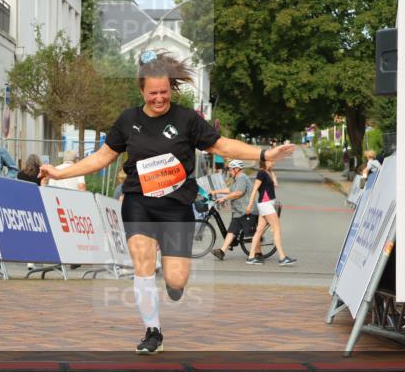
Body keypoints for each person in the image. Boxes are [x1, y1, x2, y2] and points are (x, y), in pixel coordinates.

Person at [39, 50, 295, 354]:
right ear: (141, 91)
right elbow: (101, 157)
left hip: (176, 206)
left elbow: (222, 145)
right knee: (143, 263)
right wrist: (60, 172)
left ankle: (174, 284)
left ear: (171, 89)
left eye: (164, 92)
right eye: (152, 94)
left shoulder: (187, 119)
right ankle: (153, 331)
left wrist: (264, 154)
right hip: (139, 201)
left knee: (176, 278)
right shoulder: (128, 120)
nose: (159, 99)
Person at [245, 156, 295, 266]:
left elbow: (276, 184)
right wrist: (250, 204)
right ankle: (282, 257)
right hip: (266, 204)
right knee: (277, 229)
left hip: (266, 204)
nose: (273, 162)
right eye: (271, 161)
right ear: (265, 161)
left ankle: (251, 257)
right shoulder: (261, 173)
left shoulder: (267, 173)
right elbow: (254, 189)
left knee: (259, 231)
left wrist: (271, 171)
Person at [210, 160, 252, 260]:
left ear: (236, 169)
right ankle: (221, 252)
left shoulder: (241, 177)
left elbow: (238, 193)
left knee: (253, 234)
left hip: (245, 210)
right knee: (232, 230)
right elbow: (230, 189)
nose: (229, 171)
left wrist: (224, 198)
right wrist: (216, 191)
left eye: (230, 169)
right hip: (239, 210)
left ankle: (257, 254)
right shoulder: (237, 178)